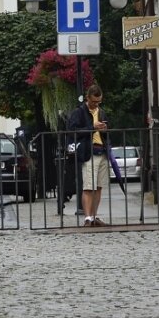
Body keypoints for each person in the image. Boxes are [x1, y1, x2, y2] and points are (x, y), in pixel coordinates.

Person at [67, 84, 110, 227]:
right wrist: (93, 128)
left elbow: (106, 131)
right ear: (87, 98)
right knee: (88, 187)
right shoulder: (79, 112)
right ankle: (87, 218)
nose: (96, 104)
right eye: (93, 102)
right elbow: (72, 131)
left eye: (98, 102)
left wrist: (105, 130)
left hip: (102, 151)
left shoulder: (102, 112)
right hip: (88, 152)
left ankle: (94, 216)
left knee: (98, 187)